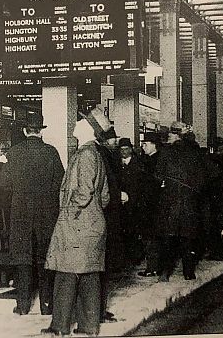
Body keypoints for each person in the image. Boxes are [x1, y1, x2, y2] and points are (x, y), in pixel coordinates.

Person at [42, 107, 111, 337]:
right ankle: (88, 328)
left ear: (89, 129)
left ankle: (59, 328)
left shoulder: (85, 155)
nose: (76, 123)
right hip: (92, 223)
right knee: (89, 277)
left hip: (78, 224)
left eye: (81, 122)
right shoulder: (96, 154)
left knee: (65, 274)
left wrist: (70, 213)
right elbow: (105, 196)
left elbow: (84, 192)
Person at [0, 113, 65, 316]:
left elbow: (3, 183)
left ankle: (22, 306)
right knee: (45, 258)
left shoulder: (14, 152)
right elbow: (60, 182)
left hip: (21, 213)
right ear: (41, 130)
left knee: (23, 258)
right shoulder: (51, 153)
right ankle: (47, 306)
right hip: (47, 214)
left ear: (25, 130)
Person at [155, 121, 213, 282]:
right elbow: (205, 177)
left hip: (170, 201)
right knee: (187, 238)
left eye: (171, 134)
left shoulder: (166, 152)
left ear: (175, 135)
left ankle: (165, 273)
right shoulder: (195, 153)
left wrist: (166, 184)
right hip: (189, 202)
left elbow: (158, 175)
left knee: (168, 237)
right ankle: (188, 272)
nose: (168, 137)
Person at [95, 127, 122, 324]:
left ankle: (99, 309)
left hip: (105, 214)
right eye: (113, 139)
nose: (116, 143)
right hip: (105, 216)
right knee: (102, 264)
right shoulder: (103, 156)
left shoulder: (103, 154)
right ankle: (99, 310)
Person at [137, 132, 162, 277]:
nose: (143, 146)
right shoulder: (147, 160)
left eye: (145, 144)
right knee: (149, 238)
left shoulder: (156, 161)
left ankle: (153, 268)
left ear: (153, 145)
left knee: (152, 238)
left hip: (153, 206)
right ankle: (153, 267)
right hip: (148, 205)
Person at [117, 137, 143, 267]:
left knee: (134, 231)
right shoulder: (116, 164)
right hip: (121, 204)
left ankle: (135, 257)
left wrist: (132, 197)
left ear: (131, 149)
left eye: (126, 149)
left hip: (134, 204)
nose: (123, 152)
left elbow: (140, 185)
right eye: (121, 149)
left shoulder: (138, 164)